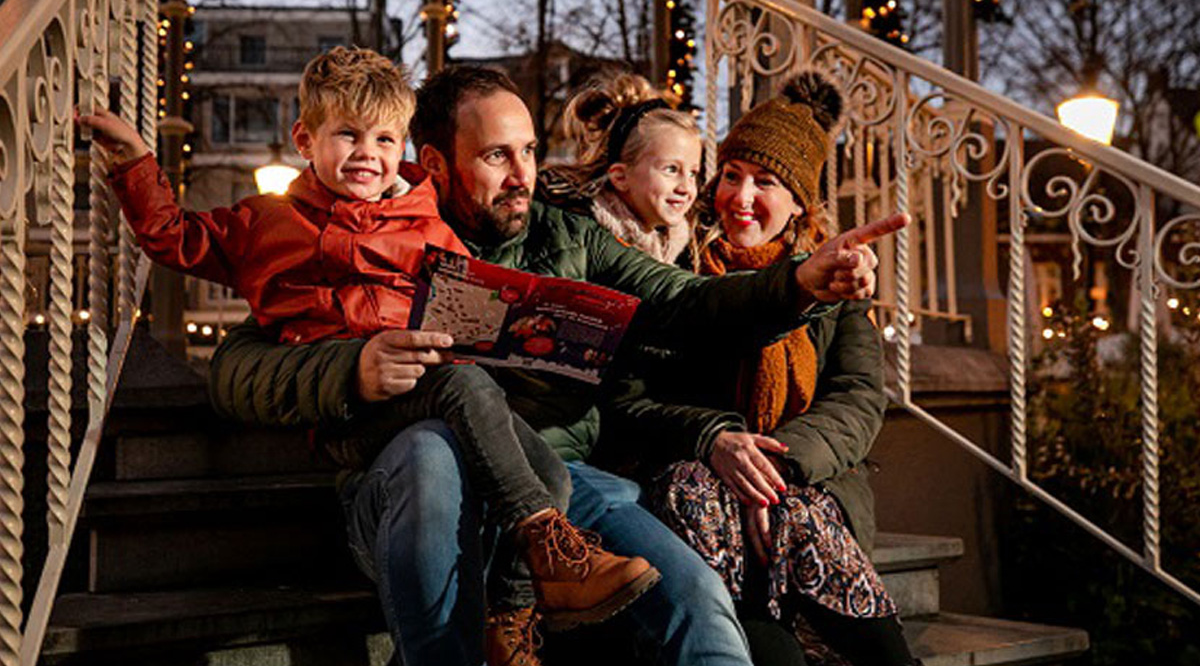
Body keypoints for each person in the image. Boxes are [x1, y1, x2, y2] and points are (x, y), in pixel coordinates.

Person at [206, 65, 907, 666]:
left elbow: (683, 300)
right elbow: (239, 367)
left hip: (562, 483)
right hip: (418, 483)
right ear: (436, 164)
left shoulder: (564, 236)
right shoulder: (375, 232)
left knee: (697, 598)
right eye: (496, 158)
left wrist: (798, 285)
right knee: (428, 451)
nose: (522, 178)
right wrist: (351, 369)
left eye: (530, 152)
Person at [80, 47, 660, 643]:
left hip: (430, 392)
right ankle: (547, 546)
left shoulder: (425, 223)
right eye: (348, 135)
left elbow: (468, 313)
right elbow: (176, 238)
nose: (368, 154)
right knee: (465, 391)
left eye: (386, 140)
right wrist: (134, 162)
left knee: (548, 470)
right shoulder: (268, 223)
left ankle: (510, 619)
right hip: (351, 415)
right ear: (305, 140)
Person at [603, 71, 917, 666]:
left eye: (766, 182)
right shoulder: (675, 264)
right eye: (730, 176)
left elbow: (854, 401)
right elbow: (633, 397)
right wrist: (719, 443)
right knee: (702, 501)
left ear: (799, 201)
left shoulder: (836, 279)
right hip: (697, 488)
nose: (741, 198)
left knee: (803, 519)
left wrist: (774, 469)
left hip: (803, 485)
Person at [542, 72, 700, 265]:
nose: (685, 188)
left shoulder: (685, 250)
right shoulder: (583, 241)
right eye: (671, 169)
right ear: (620, 177)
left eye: (693, 173)